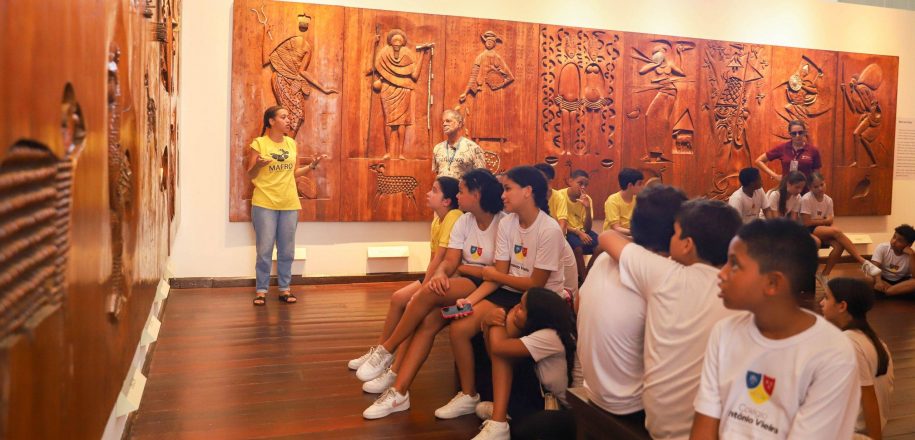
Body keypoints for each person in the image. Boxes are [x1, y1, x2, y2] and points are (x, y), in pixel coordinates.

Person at [691, 219, 860, 439]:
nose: (721, 274)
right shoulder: (724, 332)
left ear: (773, 283)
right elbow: (705, 426)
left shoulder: (833, 354)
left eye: (734, 264)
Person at [599, 198, 743, 440]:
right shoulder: (740, 295)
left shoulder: (664, 274)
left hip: (661, 427)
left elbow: (606, 238)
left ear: (687, 245)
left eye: (674, 234)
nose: (669, 239)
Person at [433, 165, 566, 420]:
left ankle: (500, 417)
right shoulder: (508, 224)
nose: (502, 195)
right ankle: (468, 393)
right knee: (459, 328)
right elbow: (500, 276)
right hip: (510, 291)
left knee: (497, 333)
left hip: (538, 300)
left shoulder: (548, 230)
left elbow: (535, 284)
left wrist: (493, 275)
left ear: (528, 191)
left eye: (508, 188)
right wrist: (469, 301)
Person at [578, 185, 686, 420]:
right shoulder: (665, 273)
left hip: (594, 388)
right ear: (678, 230)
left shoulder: (606, 257)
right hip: (629, 404)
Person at [347, 175, 462, 382]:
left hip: (449, 279)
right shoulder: (438, 219)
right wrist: (424, 284)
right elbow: (433, 259)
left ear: (447, 200)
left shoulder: (454, 216)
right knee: (398, 297)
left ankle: (394, 368)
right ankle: (381, 351)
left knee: (413, 306)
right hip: (437, 275)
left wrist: (423, 290)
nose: (428, 193)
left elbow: (443, 260)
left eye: (434, 190)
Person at [473, 288, 579, 440]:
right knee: (483, 406)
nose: (515, 308)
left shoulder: (551, 336)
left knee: (522, 431)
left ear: (536, 316)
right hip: (543, 396)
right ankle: (504, 417)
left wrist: (498, 320)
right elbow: (497, 357)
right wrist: (487, 324)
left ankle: (505, 420)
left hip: (569, 410)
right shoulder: (537, 331)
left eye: (522, 307)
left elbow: (498, 348)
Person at [246, 106, 326, 305]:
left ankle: (285, 289)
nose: (288, 120)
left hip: (289, 203)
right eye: (283, 117)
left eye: (288, 117)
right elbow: (250, 174)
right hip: (264, 202)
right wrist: (259, 165)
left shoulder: (291, 143)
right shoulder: (259, 144)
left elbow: (293, 173)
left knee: (287, 250)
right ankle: (261, 290)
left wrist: (311, 166)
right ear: (271, 121)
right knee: (264, 249)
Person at [821, 277, 895, 440]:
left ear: (842, 306)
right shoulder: (874, 340)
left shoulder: (849, 343)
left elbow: (869, 397)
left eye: (826, 297)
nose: (821, 303)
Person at [800, 172, 881, 277]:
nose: (820, 188)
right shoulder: (806, 199)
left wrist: (822, 221)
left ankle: (824, 275)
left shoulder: (828, 200)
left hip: (821, 229)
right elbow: (807, 223)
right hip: (808, 229)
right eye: (816, 187)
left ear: (825, 183)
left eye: (822, 185)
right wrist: (824, 221)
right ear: (810, 187)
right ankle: (863, 261)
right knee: (837, 231)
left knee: (839, 245)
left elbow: (830, 221)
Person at [755, 119, 822, 183]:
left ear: (804, 132)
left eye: (800, 132)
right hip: (787, 190)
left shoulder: (813, 150)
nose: (797, 136)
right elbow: (759, 161)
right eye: (794, 133)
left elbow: (816, 175)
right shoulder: (782, 148)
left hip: (806, 191)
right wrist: (775, 176)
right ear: (790, 134)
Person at [559, 170, 595, 283]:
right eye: (580, 183)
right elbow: (558, 222)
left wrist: (587, 208)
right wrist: (578, 233)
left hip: (582, 230)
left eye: (586, 185)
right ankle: (584, 280)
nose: (583, 187)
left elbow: (588, 228)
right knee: (578, 248)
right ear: (570, 181)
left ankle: (586, 272)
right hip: (567, 230)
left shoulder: (587, 199)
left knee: (602, 246)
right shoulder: (560, 196)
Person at [431, 109, 488, 178]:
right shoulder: (438, 148)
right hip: (442, 188)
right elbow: (437, 172)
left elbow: (481, 176)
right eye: (443, 122)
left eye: (448, 121)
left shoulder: (473, 148)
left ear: (459, 124)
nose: (444, 124)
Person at [866, 224, 915, 296]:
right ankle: (896, 292)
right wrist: (878, 281)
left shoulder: (911, 254)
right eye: (894, 237)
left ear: (909, 245)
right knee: (867, 275)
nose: (894, 241)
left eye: (900, 240)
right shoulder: (882, 247)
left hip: (902, 282)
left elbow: (914, 276)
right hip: (883, 279)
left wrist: (912, 255)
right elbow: (874, 266)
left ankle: (889, 292)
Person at [603, 168, 644, 236]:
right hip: (614, 235)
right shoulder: (612, 200)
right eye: (640, 184)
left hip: (630, 233)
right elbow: (616, 228)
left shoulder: (637, 199)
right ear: (630, 185)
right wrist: (636, 233)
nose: (643, 186)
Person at [533, 163, 568, 234]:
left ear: (549, 182)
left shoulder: (559, 197)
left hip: (553, 235)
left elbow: (562, 224)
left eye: (539, 180)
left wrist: (556, 239)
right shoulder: (529, 196)